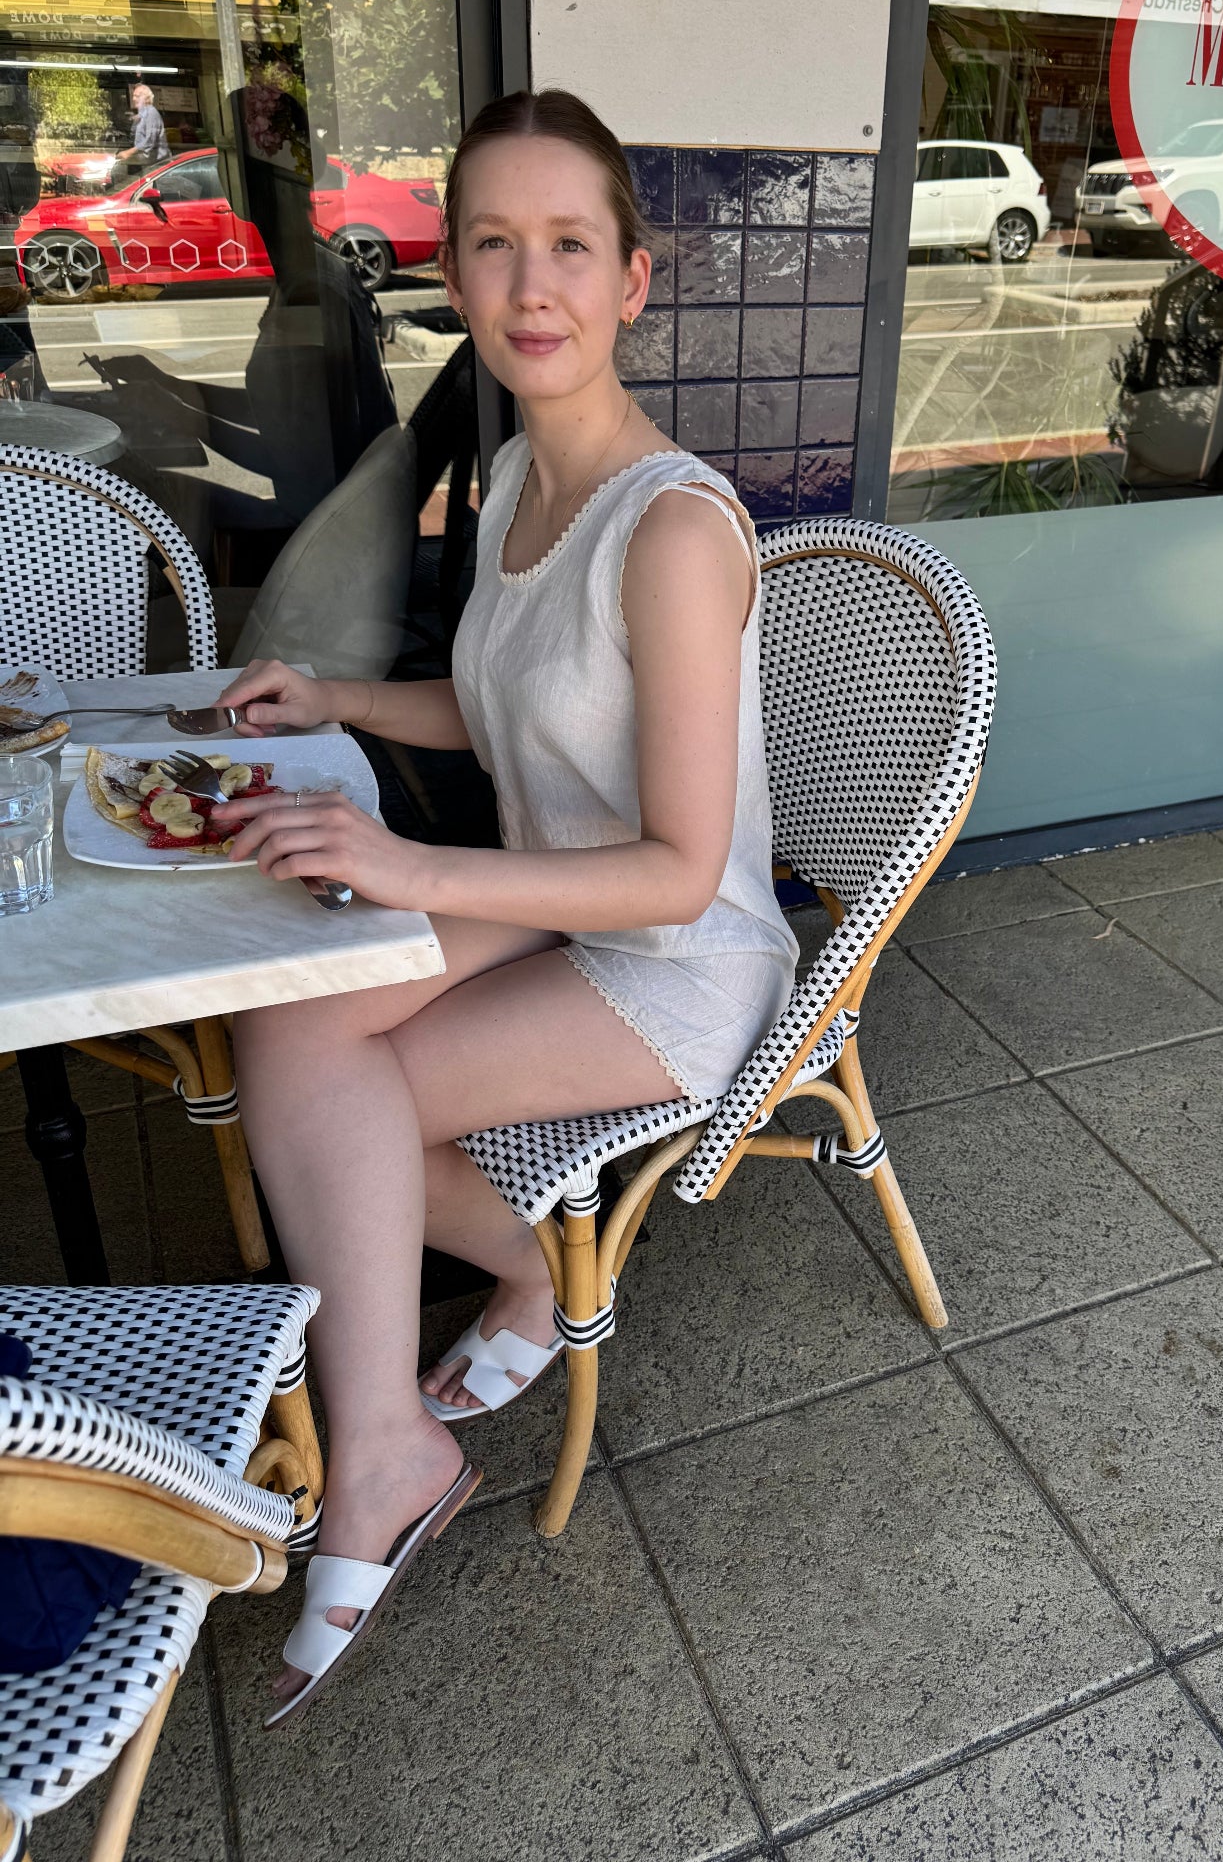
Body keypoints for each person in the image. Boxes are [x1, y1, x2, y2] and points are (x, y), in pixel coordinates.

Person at [211, 88, 798, 1727]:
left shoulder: (669, 527)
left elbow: (678, 866)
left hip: (674, 955)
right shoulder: (527, 471)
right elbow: (504, 709)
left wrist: (408, 868)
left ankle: (386, 1450)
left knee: (337, 1094)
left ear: (634, 279)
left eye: (569, 246)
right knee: (292, 1025)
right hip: (557, 893)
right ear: (455, 278)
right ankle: (529, 1284)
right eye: (493, 245)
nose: (532, 285)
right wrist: (331, 694)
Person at [121, 83, 169, 171]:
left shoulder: (151, 113)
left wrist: (129, 152)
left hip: (156, 166)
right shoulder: (142, 114)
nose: (133, 99)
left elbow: (149, 141)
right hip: (147, 164)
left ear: (146, 98)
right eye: (133, 96)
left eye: (137, 96)